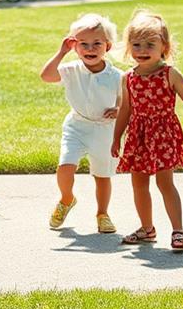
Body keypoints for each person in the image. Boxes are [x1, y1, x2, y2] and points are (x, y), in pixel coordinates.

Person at [112, 10, 183, 251]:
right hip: (138, 136)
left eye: (150, 44)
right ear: (128, 48)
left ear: (164, 48)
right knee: (138, 184)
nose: (142, 50)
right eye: (136, 45)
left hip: (163, 134)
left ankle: (178, 230)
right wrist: (116, 137)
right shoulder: (128, 78)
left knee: (165, 183)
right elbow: (125, 109)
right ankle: (147, 228)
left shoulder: (169, 73)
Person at [40, 14, 123, 234]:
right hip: (76, 126)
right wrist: (61, 52)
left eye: (97, 43)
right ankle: (67, 199)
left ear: (108, 46)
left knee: (102, 175)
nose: (90, 48)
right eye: (83, 44)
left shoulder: (117, 76)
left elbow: (126, 101)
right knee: (65, 166)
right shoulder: (71, 69)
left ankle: (102, 214)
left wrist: (118, 110)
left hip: (105, 129)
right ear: (75, 47)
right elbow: (46, 76)